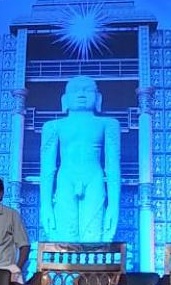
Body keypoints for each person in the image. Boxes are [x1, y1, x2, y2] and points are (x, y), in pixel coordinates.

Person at [40, 76, 121, 242]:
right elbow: (47, 169)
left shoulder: (108, 124)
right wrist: (46, 205)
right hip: (65, 179)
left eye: (88, 89)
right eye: (75, 90)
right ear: (65, 99)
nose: (81, 94)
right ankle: (65, 268)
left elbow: (113, 167)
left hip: (94, 179)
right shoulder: (53, 127)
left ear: (98, 98)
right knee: (64, 237)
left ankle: (92, 268)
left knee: (93, 237)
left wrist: (114, 206)